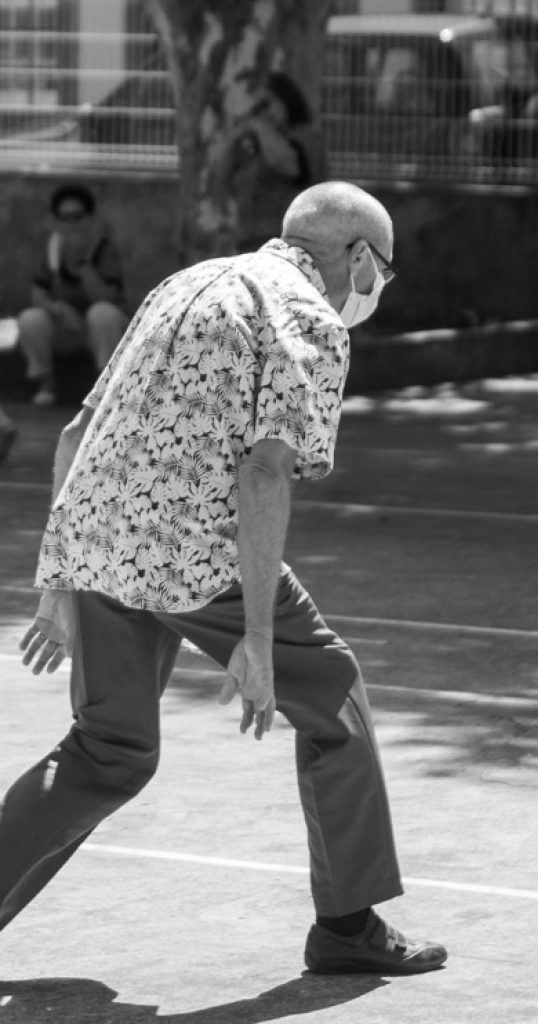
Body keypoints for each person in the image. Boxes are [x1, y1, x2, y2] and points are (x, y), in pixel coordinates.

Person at [0, 181, 446, 975]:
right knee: (334, 694)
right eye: (384, 272)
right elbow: (265, 475)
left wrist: (58, 582)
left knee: (110, 751)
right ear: (358, 258)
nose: (379, 289)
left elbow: (77, 431)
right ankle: (347, 929)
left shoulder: (186, 281)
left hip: (102, 541)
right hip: (194, 551)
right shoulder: (309, 318)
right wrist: (259, 643)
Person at [16, 183, 129, 407]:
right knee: (31, 319)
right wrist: (58, 309)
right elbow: (38, 294)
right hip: (66, 328)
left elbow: (105, 298)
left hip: (99, 332)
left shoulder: (105, 250)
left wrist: (83, 262)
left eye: (77, 217)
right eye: (64, 218)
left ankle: (104, 389)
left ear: (89, 218)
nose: (71, 224)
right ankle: (46, 385)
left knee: (102, 314)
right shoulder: (51, 250)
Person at [211, 72, 325, 253]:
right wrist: (236, 135)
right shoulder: (254, 143)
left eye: (266, 104)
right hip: (250, 244)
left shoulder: (307, 138)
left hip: (292, 245)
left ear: (286, 98)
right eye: (256, 109)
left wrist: (258, 125)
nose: (263, 114)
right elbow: (221, 173)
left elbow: (288, 164)